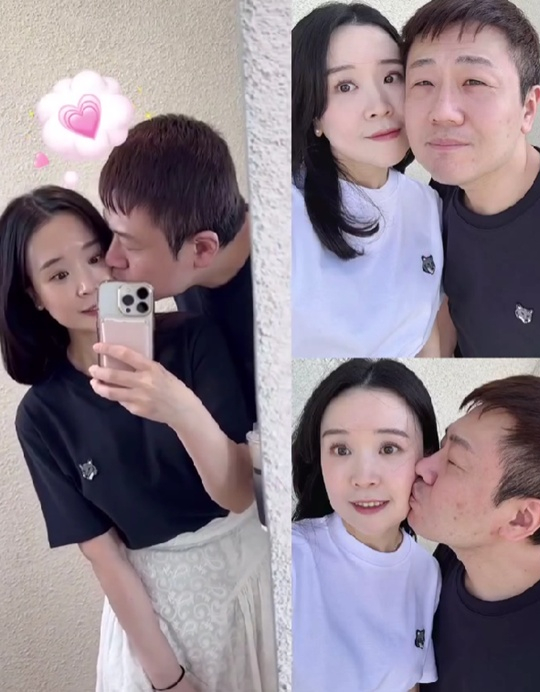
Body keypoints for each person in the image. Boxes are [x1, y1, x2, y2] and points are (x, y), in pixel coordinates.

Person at [0, 186, 275, 692]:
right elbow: (103, 555)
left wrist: (175, 405)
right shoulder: (41, 417)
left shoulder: (192, 339)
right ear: (33, 296)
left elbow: (240, 492)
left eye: (95, 257)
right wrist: (167, 679)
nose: (88, 285)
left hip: (249, 585)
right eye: (58, 275)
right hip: (152, 621)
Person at [402, 0, 540, 357]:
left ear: (528, 108)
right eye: (423, 82)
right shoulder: (439, 196)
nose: (443, 112)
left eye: (474, 81)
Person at [292, 3, 443, 359]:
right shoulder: (285, 215)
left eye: (391, 77)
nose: (379, 106)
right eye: (345, 86)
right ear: (314, 116)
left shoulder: (427, 204)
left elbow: (425, 334)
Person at [292, 358, 442, 692]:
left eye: (389, 448)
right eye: (340, 449)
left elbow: (411, 684)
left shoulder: (427, 572)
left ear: (426, 457)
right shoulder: (291, 557)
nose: (363, 477)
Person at [98, 114, 257, 423]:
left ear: (202, 249)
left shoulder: (293, 297)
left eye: (129, 244)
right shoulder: (187, 263)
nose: (111, 258)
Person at [409, 374, 540, 691]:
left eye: (453, 462)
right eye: (443, 444)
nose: (422, 467)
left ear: (521, 519)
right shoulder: (455, 551)